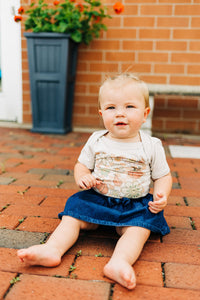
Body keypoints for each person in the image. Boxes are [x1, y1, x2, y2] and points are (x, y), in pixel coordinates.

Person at [17, 73, 172, 290]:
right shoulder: (97, 140)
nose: (120, 113)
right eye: (111, 108)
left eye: (129, 107)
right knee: (72, 214)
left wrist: (162, 194)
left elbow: (162, 175)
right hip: (97, 199)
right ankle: (52, 248)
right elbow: (81, 165)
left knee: (138, 229)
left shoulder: (151, 145)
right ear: (101, 113)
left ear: (145, 113)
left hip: (133, 206)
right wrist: (83, 177)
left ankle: (120, 262)